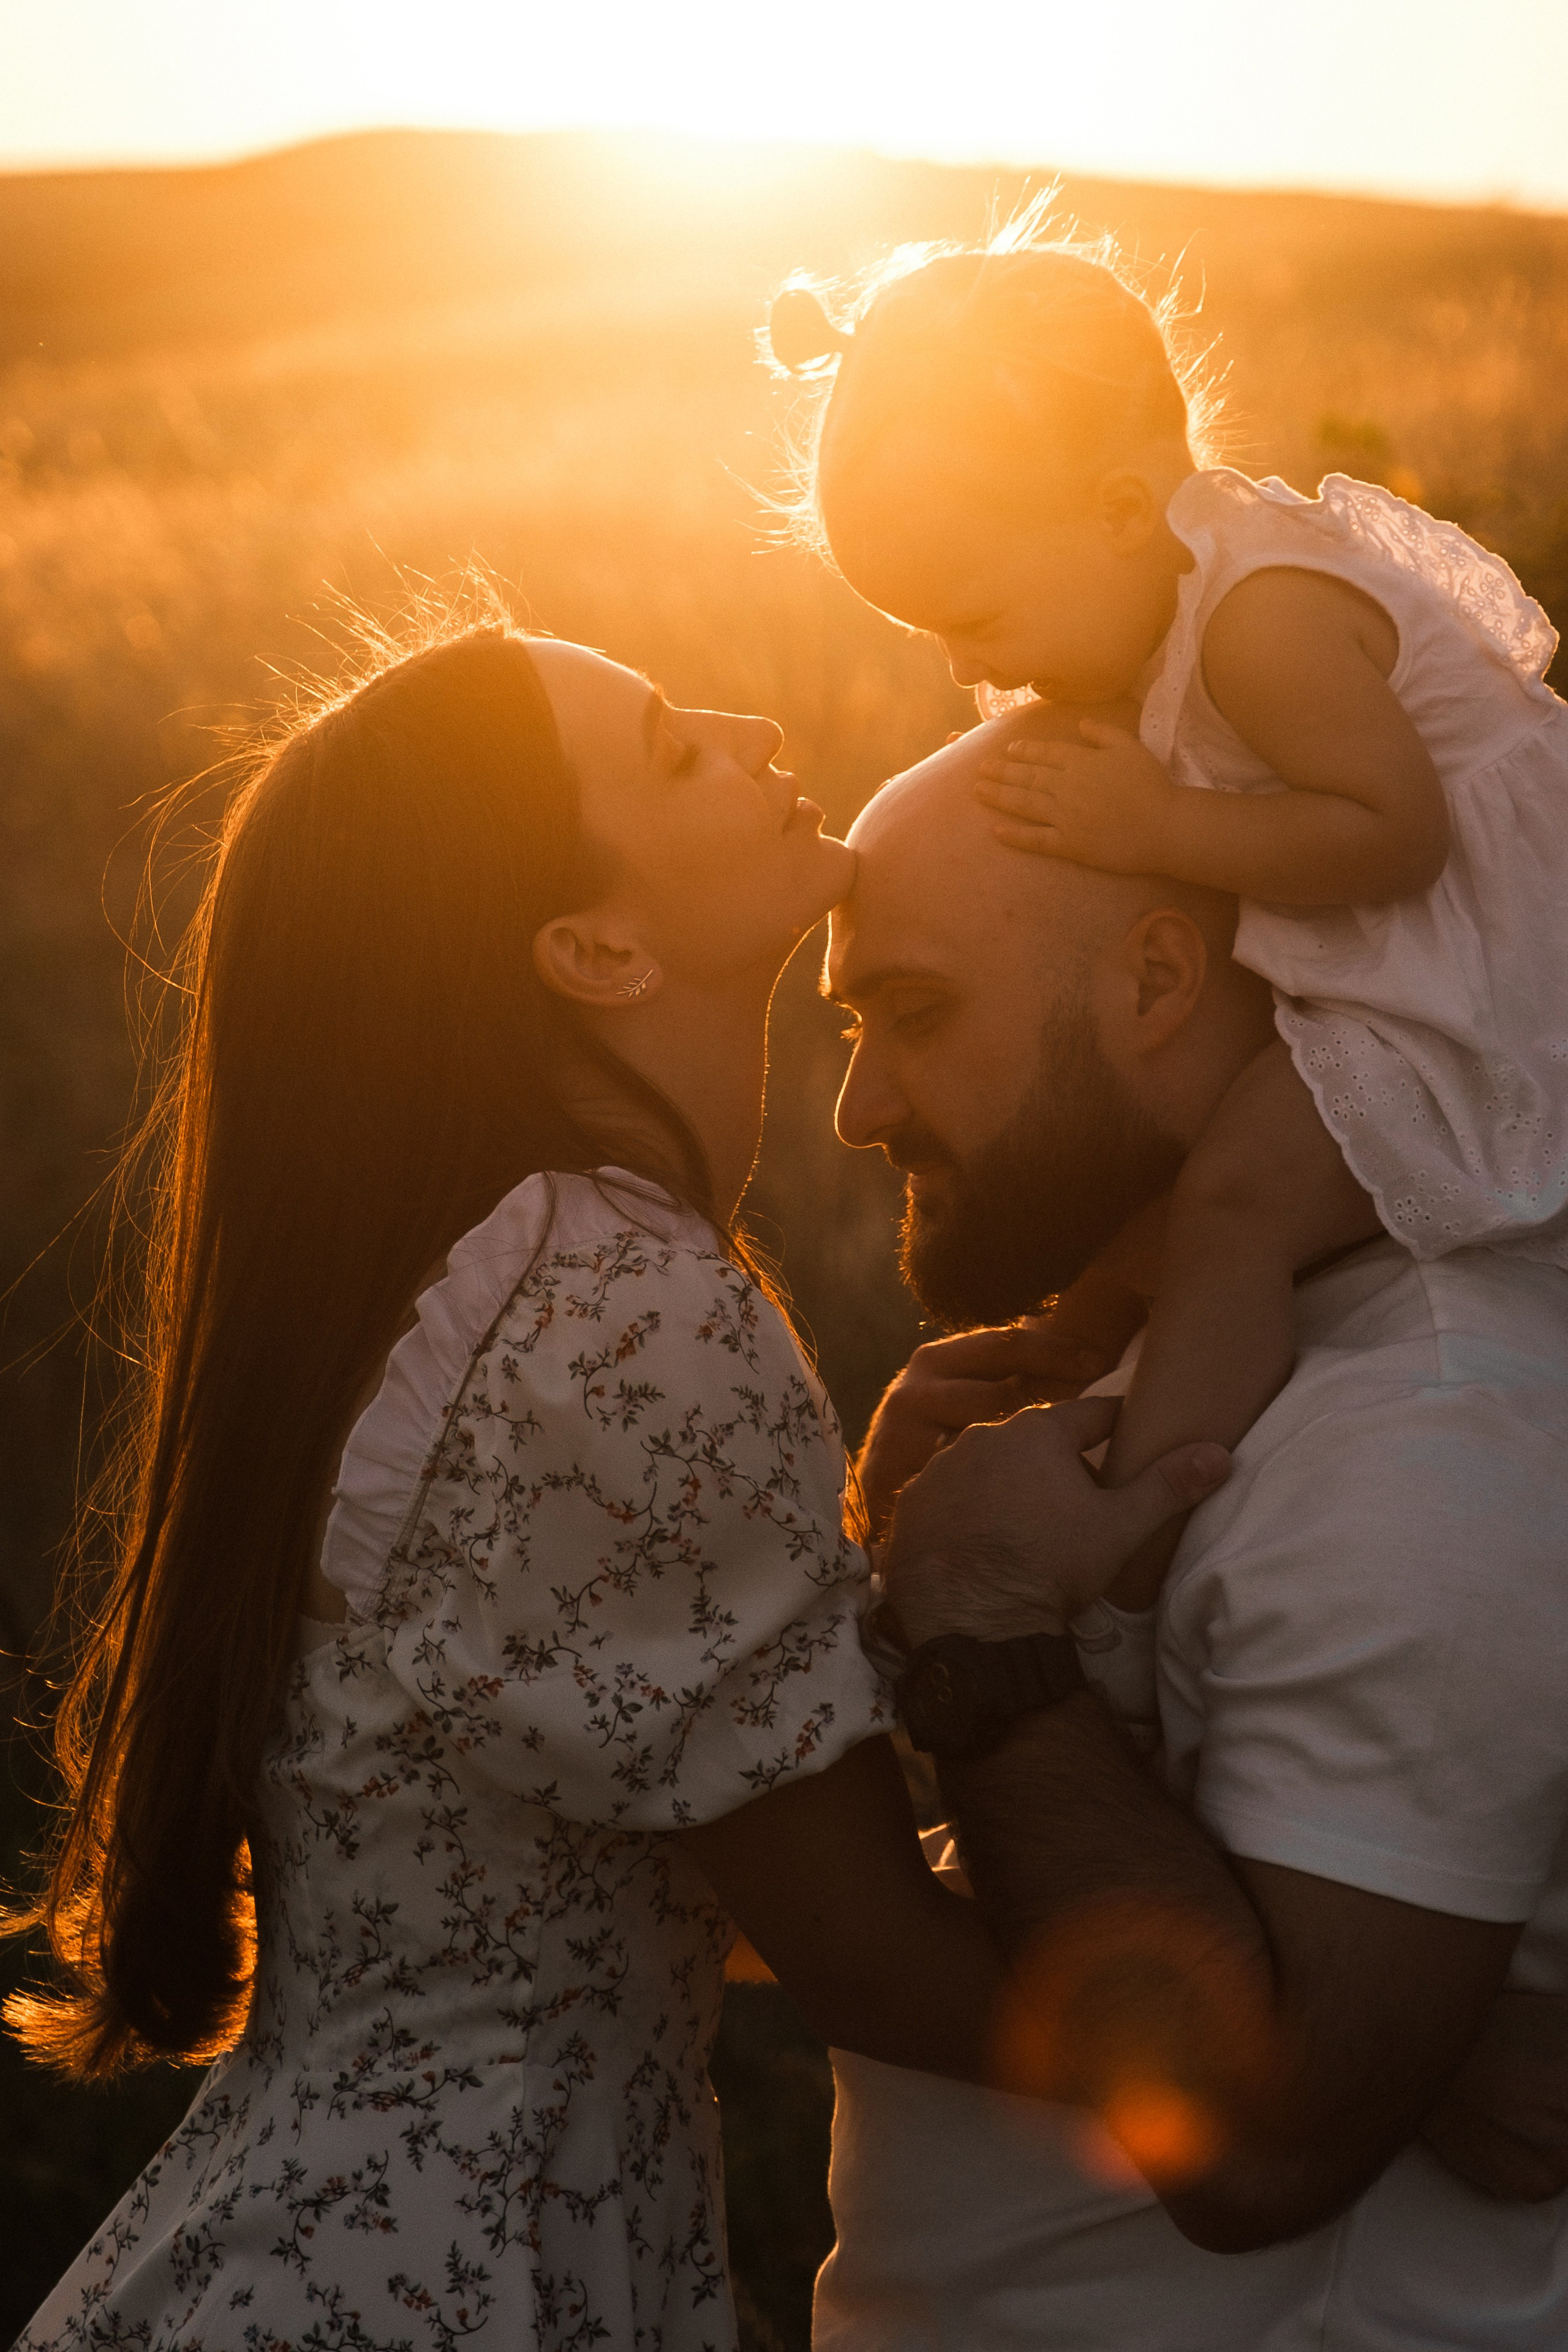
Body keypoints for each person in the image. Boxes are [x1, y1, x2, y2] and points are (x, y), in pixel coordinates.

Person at [4, 625, 1231, 2351]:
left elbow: (647, 1855)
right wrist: (1344, 2063)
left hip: (330, 2258)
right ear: (593, 947)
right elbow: (860, 1957)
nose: (747, 718)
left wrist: (845, 1561)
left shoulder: (503, 1281)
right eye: (670, 749)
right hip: (455, 2286)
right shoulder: (621, 1309)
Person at [816, 707, 1568, 2348]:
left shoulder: (1416, 1438)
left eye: (914, 1011)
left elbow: (1267, 2153)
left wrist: (986, 1627)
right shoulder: (1192, 1366)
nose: (857, 1108)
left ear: (1157, 983)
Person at [769, 219, 1568, 1598]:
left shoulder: (1258, 614)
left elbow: (1395, 834)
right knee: (1192, 1218)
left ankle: (1131, 1526)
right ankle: (1090, 1352)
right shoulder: (1168, 606)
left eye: (972, 610)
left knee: (1237, 1209)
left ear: (1119, 512)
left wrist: (1159, 823)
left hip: (1497, 951)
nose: (965, 661)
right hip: (1419, 941)